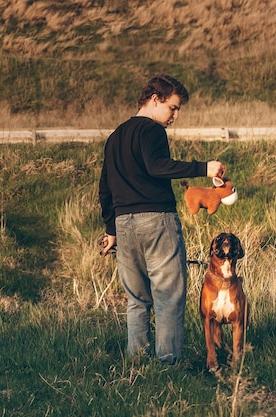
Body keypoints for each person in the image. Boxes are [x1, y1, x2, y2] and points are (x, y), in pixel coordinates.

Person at [98, 74, 225, 364]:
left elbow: (105, 187)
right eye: (173, 107)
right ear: (155, 100)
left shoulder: (115, 136)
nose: (175, 116)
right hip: (156, 221)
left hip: (124, 225)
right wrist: (204, 167)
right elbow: (157, 166)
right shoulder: (152, 131)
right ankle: (168, 365)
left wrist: (111, 229)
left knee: (137, 300)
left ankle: (137, 364)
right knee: (169, 299)